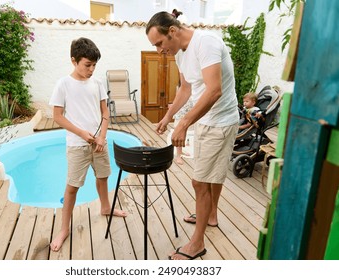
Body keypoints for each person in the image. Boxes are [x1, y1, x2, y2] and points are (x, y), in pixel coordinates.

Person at [146, 10, 239, 260]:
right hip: (206, 119)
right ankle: (211, 215)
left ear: (173, 32)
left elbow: (214, 90)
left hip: (219, 122)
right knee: (212, 173)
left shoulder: (205, 42)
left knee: (200, 181)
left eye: (159, 43)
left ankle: (197, 243)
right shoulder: (180, 54)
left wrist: (184, 123)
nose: (158, 51)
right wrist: (168, 117)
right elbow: (186, 89)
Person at [49, 37, 127, 252]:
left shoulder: (97, 83)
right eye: (87, 65)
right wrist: (82, 133)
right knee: (72, 187)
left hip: (98, 142)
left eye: (94, 65)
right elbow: (57, 116)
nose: (91, 69)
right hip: (77, 145)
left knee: (103, 177)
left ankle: (105, 208)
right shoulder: (63, 84)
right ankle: (64, 228)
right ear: (74, 61)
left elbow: (105, 113)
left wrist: (102, 137)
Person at [171, 94, 193, 165]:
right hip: (181, 113)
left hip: (192, 113)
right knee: (179, 134)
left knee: (188, 134)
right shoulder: (183, 86)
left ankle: (180, 152)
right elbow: (178, 98)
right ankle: (178, 155)